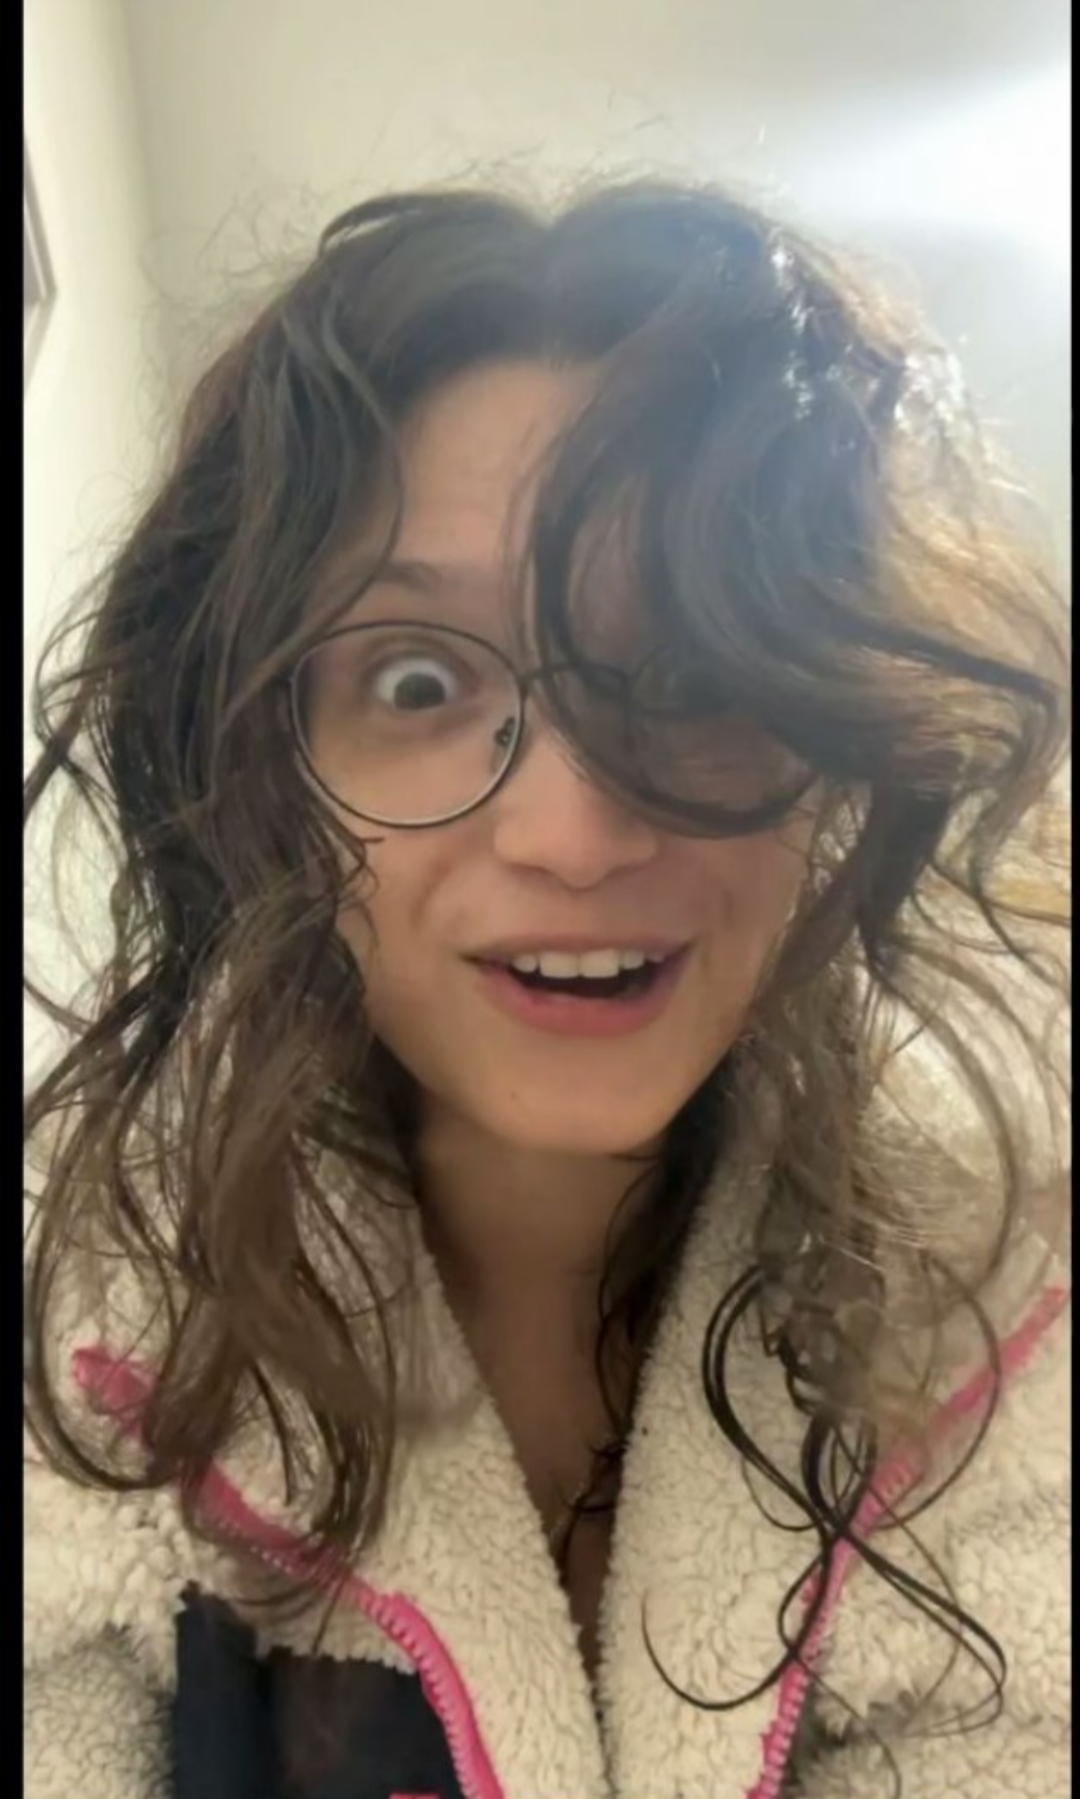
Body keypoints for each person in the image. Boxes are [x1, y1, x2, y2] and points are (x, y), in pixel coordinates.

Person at [24, 180, 1069, 1799]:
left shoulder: (1004, 1298)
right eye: (417, 679)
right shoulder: (81, 1308)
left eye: (693, 674)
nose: (575, 834)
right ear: (269, 770)